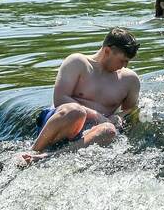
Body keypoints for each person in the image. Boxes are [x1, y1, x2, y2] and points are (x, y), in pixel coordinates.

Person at [26, 28, 141, 162]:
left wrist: (118, 117)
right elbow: (59, 99)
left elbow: (130, 112)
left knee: (109, 130)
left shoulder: (130, 80)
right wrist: (98, 116)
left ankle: (48, 157)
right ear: (107, 51)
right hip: (63, 122)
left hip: (89, 132)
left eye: (128, 61)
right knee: (76, 111)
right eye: (122, 60)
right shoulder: (78, 62)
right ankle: (32, 151)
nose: (125, 65)